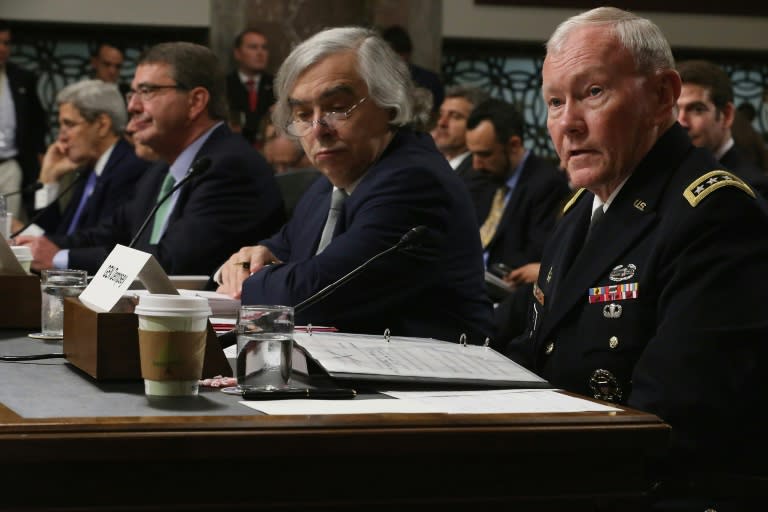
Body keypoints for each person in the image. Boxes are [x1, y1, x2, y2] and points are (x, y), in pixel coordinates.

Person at [505, 7, 768, 508]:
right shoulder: (582, 208)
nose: (568, 125)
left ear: (662, 95)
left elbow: (673, 419)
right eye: (555, 102)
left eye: (592, 93)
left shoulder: (713, 214)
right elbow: (540, 349)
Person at [216, 26, 493, 343]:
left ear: (389, 104)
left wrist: (249, 281)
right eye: (303, 114)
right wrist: (250, 258)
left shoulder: (413, 180)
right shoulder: (332, 181)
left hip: (432, 384)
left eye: (336, 107)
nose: (319, 130)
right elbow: (282, 249)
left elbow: (311, 297)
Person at [16, 42, 285, 277]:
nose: (132, 106)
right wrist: (38, 246)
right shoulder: (159, 171)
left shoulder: (230, 167)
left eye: (147, 91)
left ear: (196, 101)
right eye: (132, 93)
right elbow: (107, 233)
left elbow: (169, 262)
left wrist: (61, 259)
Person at [21, 80, 149, 237]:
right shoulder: (90, 169)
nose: (61, 137)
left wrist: (23, 232)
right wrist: (48, 179)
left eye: (69, 124)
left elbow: (98, 242)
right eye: (60, 125)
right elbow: (59, 236)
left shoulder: (129, 170)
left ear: (102, 125)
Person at [464, 98, 569, 273]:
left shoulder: (547, 184)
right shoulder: (480, 176)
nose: (476, 164)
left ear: (514, 145)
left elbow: (538, 254)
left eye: (485, 154)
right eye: (473, 154)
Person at [676, 59, 768, 197]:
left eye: (696, 109)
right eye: (675, 109)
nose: (681, 122)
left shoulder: (751, 187)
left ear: (726, 115)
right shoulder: (669, 175)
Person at [0, 19, 47, 222]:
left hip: (10, 163)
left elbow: (37, 120)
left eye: (6, 43)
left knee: (8, 221)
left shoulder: (22, 78)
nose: (2, 48)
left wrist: (40, 153)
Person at [225, 28, 275, 148]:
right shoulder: (223, 85)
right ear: (237, 53)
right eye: (253, 47)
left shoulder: (277, 85)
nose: (260, 53)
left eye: (264, 48)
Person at [381, 25, 444, 116]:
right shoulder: (378, 80)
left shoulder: (429, 80)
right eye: (394, 57)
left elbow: (437, 112)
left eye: (403, 56)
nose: (400, 62)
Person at [431, 84, 489, 177]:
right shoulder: (429, 162)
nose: (441, 123)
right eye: (440, 114)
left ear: (476, 124)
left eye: (455, 116)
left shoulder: (478, 173)